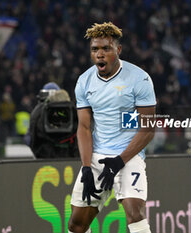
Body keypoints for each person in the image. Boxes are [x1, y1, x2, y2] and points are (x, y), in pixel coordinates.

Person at [68, 22, 156, 233]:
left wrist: (119, 161)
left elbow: (147, 129)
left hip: (129, 156)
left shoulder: (139, 79)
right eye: (95, 49)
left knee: (135, 214)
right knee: (76, 225)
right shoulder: (84, 82)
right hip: (98, 157)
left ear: (118, 50)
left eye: (105, 49)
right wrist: (87, 167)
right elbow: (84, 128)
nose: (99, 54)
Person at [27, 82, 79, 158]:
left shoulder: (37, 114)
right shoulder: (74, 112)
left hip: (46, 157)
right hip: (70, 157)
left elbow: (33, 141)